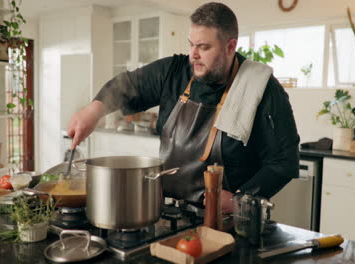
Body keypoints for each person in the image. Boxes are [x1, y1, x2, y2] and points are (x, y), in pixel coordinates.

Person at [67, 2, 299, 213]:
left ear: (230, 46)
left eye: (204, 47)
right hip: (168, 213)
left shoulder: (261, 88)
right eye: (191, 45)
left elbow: (283, 162)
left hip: (225, 220)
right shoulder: (175, 71)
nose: (193, 55)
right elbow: (127, 85)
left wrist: (241, 200)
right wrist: (93, 110)